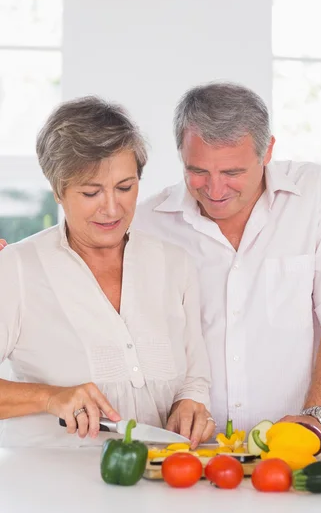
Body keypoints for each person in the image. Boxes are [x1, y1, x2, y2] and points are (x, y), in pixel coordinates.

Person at [133, 82, 321, 446]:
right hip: (193, 452)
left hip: (307, 447)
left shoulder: (317, 195)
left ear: (266, 151)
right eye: (198, 171)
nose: (215, 190)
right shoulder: (147, 224)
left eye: (233, 173)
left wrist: (317, 420)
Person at [0, 97, 213, 447]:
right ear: (58, 190)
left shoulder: (175, 264)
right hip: (48, 491)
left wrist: (190, 405)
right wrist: (49, 397)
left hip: (157, 486)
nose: (112, 208)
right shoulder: (17, 269)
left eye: (125, 187)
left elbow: (194, 379)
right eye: (90, 192)